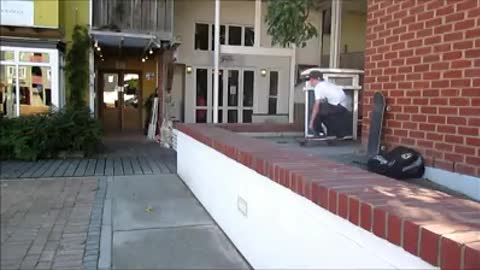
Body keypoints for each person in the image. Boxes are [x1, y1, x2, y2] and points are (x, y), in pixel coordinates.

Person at [308, 70, 351, 139]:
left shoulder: (318, 87)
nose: (311, 82)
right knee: (324, 114)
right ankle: (338, 133)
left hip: (338, 106)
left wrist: (311, 123)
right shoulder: (328, 84)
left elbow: (316, 105)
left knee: (316, 110)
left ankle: (319, 132)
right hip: (345, 106)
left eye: (312, 80)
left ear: (318, 79)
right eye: (310, 80)